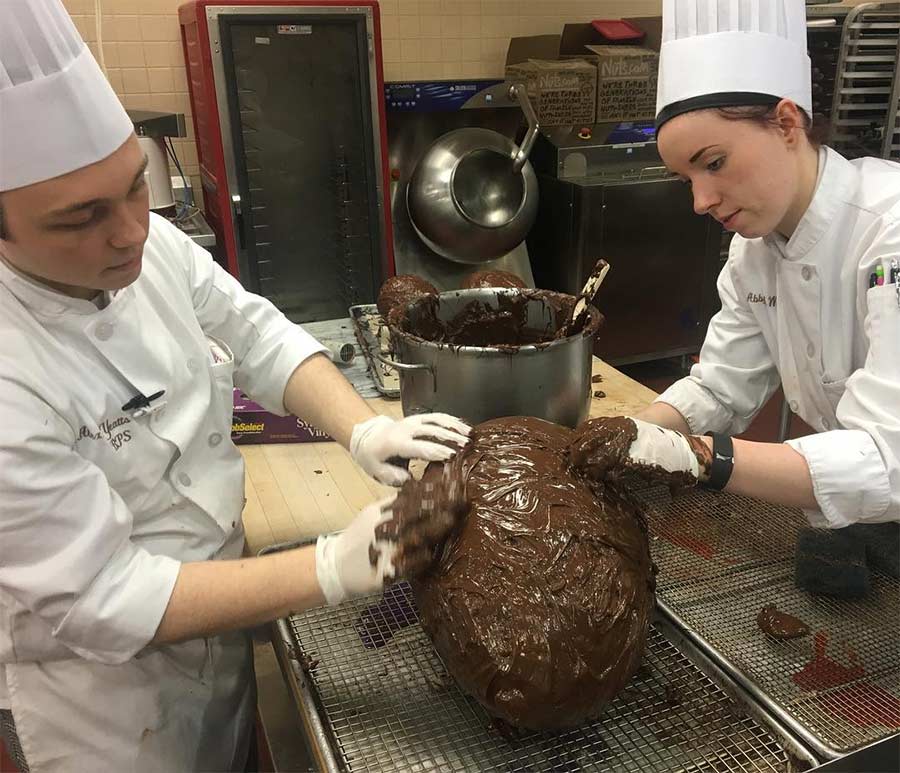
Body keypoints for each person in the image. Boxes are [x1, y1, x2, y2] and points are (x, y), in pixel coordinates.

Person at [0, 1, 469, 770]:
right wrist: (326, 567)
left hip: (221, 617)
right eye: (81, 217)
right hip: (103, 700)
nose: (130, 232)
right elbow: (104, 596)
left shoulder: (150, 251)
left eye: (131, 188)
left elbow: (256, 333)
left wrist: (361, 428)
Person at [577, 0, 900, 530]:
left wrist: (704, 458)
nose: (701, 201)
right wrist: (631, 434)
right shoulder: (756, 252)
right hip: (865, 508)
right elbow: (719, 388)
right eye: (687, 180)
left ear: (786, 122)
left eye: (714, 163)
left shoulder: (888, 230)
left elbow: (888, 459)